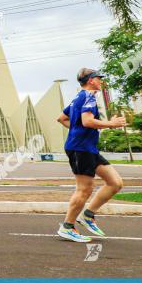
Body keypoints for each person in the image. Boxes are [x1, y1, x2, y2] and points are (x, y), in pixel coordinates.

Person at [56, 68, 126, 242]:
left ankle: (87, 215)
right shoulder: (88, 96)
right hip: (80, 149)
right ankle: (67, 227)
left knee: (115, 183)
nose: (100, 81)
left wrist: (76, 129)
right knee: (85, 189)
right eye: (98, 78)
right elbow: (87, 121)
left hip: (88, 148)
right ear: (90, 80)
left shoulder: (77, 98)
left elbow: (62, 119)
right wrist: (111, 124)